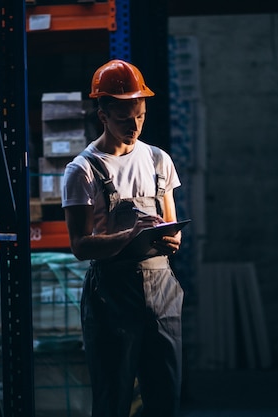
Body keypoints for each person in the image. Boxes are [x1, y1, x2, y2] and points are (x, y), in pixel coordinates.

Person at [61, 59, 184, 417]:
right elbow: (80, 246)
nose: (135, 126)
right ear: (103, 115)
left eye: (141, 116)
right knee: (113, 398)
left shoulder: (159, 160)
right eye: (124, 119)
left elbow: (172, 226)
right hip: (112, 295)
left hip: (163, 291)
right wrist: (130, 235)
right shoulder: (82, 170)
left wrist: (171, 240)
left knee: (165, 398)